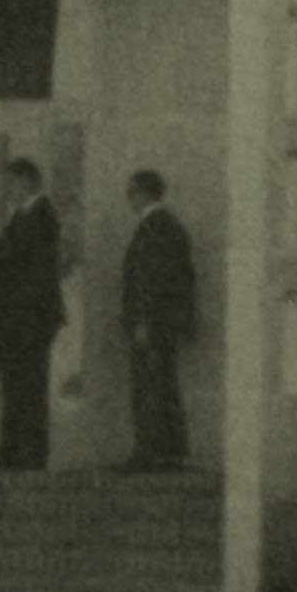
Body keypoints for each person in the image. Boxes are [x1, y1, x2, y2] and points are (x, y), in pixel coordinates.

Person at [0, 154, 75, 472]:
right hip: (18, 316)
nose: (7, 189)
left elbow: (19, 266)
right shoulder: (23, 215)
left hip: (31, 316)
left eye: (11, 182)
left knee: (28, 386)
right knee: (15, 385)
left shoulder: (42, 215)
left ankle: (29, 455)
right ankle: (12, 453)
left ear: (27, 181)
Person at [110, 167, 205, 473]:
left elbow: (151, 280)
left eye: (131, 192)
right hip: (163, 322)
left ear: (143, 193)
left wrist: (142, 321)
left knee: (148, 386)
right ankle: (169, 451)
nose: (129, 199)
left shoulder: (154, 227)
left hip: (152, 323)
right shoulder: (168, 225)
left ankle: (149, 452)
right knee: (163, 384)